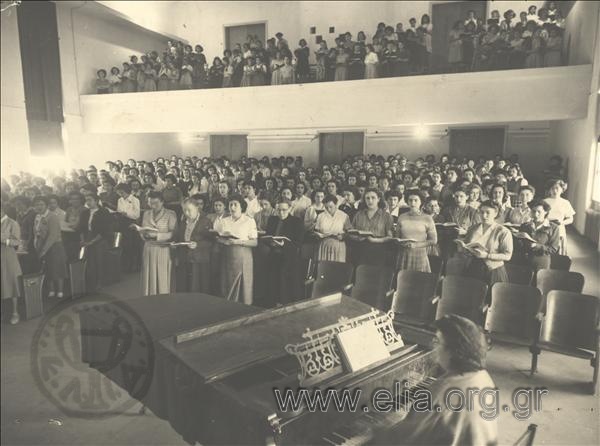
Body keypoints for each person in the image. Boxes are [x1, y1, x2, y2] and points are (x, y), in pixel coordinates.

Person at [372, 314, 497, 445]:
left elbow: (404, 440)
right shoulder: (483, 377)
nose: (434, 347)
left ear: (454, 351)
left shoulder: (441, 391)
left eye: (438, 341)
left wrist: (374, 430)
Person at [214, 194, 258, 304]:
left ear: (241, 207)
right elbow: (218, 238)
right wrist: (223, 240)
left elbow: (255, 242)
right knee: (226, 284)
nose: (232, 207)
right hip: (227, 256)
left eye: (235, 205)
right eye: (230, 205)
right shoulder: (224, 221)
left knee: (243, 287)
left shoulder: (249, 221)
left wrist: (239, 242)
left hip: (243, 257)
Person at [261, 199, 305, 306]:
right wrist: (270, 242)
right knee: (272, 283)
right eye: (279, 210)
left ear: (290, 209)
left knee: (285, 286)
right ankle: (272, 304)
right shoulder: (272, 220)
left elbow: (298, 243)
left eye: (284, 210)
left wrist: (284, 244)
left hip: (289, 258)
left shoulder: (296, 221)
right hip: (274, 256)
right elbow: (268, 235)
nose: (281, 213)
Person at [460, 200, 513, 285]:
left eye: (488, 212)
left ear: (495, 213)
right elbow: (468, 246)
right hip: (474, 267)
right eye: (481, 212)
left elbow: (507, 256)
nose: (484, 216)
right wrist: (465, 248)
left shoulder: (503, 231)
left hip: (494, 271)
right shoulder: (473, 228)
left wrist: (487, 256)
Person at [137, 191, 177, 296]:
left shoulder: (170, 214)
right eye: (150, 203)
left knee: (162, 274)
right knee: (148, 274)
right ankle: (149, 296)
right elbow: (144, 229)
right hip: (149, 247)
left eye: (156, 203)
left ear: (162, 202)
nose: (153, 206)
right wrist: (143, 234)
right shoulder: (146, 213)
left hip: (163, 248)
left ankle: (163, 297)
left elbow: (173, 233)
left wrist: (157, 236)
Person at [174, 198, 213, 293]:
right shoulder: (183, 221)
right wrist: (175, 244)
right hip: (184, 257)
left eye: (189, 210)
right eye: (184, 210)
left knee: (198, 286)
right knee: (184, 285)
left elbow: (211, 241)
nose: (186, 213)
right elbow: (179, 237)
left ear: (197, 208)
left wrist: (198, 245)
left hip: (199, 259)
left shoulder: (206, 221)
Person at [32, 196, 68, 298]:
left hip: (55, 246)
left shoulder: (52, 216)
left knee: (57, 268)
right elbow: (35, 231)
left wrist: (44, 250)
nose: (39, 207)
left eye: (41, 204)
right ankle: (52, 290)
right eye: (36, 205)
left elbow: (53, 235)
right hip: (42, 245)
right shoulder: (37, 216)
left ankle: (60, 291)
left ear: (46, 205)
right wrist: (37, 245)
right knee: (47, 269)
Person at [395, 190, 437, 272]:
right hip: (404, 254)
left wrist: (416, 245)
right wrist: (400, 242)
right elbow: (397, 237)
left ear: (421, 202)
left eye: (416, 200)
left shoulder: (427, 218)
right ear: (407, 202)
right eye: (410, 200)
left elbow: (433, 240)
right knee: (403, 281)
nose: (413, 203)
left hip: (420, 254)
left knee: (419, 281)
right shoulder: (402, 217)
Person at [349, 188, 393, 266]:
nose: (370, 201)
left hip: (378, 250)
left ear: (378, 199)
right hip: (360, 250)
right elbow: (351, 233)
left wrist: (375, 240)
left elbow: (390, 237)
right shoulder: (359, 214)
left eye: (373, 198)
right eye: (367, 198)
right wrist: (357, 238)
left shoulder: (386, 216)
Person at [82, 194, 112, 291]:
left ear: (96, 201)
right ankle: (92, 282)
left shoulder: (103, 212)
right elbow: (81, 228)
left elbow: (104, 230)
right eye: (86, 200)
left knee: (99, 261)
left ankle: (100, 282)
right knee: (89, 261)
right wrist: (84, 240)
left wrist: (92, 241)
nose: (88, 202)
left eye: (90, 200)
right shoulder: (85, 212)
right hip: (88, 237)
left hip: (100, 238)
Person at [314, 194, 352, 262]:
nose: (328, 209)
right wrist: (318, 235)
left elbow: (349, 232)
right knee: (324, 267)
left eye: (331, 207)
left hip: (338, 245)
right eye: (326, 207)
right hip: (324, 245)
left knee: (337, 267)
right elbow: (317, 231)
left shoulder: (344, 216)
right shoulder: (320, 216)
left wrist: (343, 236)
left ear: (336, 204)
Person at [1, 204, 23, 324]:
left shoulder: (12, 223)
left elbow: (17, 242)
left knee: (12, 284)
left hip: (8, 257)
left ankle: (15, 312)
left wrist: (4, 240)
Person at [543, 179, 574, 254]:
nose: (554, 190)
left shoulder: (565, 203)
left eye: (557, 188)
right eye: (552, 188)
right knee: (546, 250)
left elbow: (571, 219)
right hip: (546, 229)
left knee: (558, 252)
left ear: (562, 190)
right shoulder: (545, 201)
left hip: (559, 229)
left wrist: (562, 222)